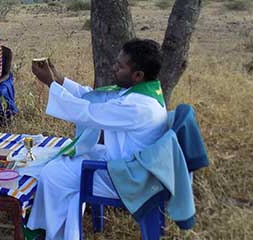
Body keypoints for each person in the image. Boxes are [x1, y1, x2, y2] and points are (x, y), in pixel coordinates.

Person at [26, 39, 168, 240]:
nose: (114, 68)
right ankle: (60, 227)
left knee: (52, 174)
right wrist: (59, 80)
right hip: (131, 163)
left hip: (129, 178)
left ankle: (50, 232)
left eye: (120, 66)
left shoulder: (138, 106)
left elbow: (88, 112)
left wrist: (50, 84)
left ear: (137, 75)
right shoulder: (143, 92)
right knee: (67, 155)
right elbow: (93, 98)